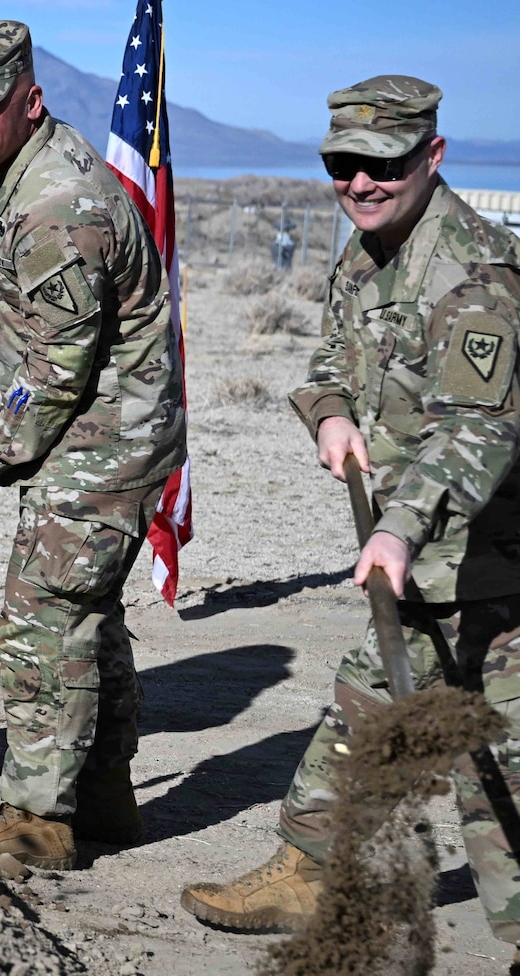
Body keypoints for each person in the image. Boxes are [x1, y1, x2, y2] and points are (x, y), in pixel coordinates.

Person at [181, 77, 520, 952]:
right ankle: (308, 871)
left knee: (497, 782)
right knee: (362, 711)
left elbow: (477, 433)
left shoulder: (475, 275)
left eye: (381, 165)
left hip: (492, 566)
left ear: (431, 157)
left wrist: (396, 524)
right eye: (341, 164)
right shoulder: (366, 252)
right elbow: (331, 355)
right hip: (416, 559)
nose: (359, 182)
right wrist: (329, 412)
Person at [0, 21, 186, 868]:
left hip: (106, 432)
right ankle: (103, 798)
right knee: (85, 611)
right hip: (94, 422)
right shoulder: (20, 171)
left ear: (28, 101)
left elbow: (57, 368)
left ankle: (37, 821)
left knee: (41, 615)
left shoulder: (55, 206)